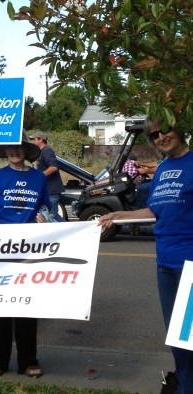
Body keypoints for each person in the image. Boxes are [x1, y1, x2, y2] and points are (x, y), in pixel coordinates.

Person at [99, 118, 193, 394]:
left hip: (190, 265)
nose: (161, 137)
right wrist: (119, 216)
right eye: (154, 135)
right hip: (165, 262)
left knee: (189, 336)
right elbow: (154, 212)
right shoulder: (162, 170)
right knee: (177, 337)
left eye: (165, 130)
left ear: (179, 129)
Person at [0, 132, 50, 379]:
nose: (15, 151)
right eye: (10, 147)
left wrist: (46, 216)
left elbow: (46, 206)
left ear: (26, 150)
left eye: (19, 147)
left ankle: (28, 361)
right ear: (5, 151)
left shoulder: (38, 178)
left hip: (28, 248)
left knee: (26, 305)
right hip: (0, 248)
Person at [29, 130, 65, 221]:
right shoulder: (41, 152)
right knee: (47, 215)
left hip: (52, 190)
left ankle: (71, 231)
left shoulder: (47, 151)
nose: (32, 142)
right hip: (47, 190)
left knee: (53, 215)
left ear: (41, 140)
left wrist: (40, 175)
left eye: (34, 139)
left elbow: (54, 167)